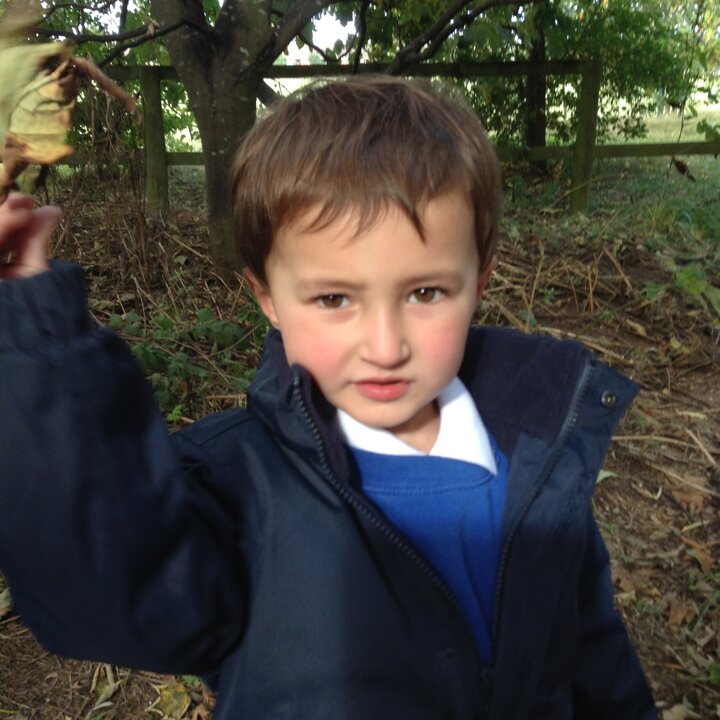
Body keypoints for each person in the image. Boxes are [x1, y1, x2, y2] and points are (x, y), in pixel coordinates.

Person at [0, 76, 656, 719]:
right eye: (334, 298)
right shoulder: (236, 489)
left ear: (478, 282)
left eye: (425, 293)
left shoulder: (538, 459)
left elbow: (597, 661)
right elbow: (107, 589)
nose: (385, 346)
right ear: (267, 298)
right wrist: (30, 331)